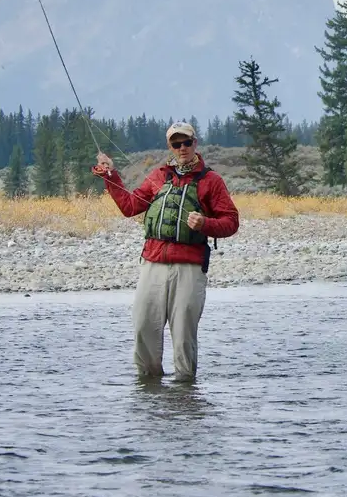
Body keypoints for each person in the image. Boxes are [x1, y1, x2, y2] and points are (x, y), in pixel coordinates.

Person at [92, 121, 239, 382]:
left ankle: (185, 390)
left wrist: (206, 223)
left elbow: (231, 222)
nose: (182, 148)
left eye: (186, 142)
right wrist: (110, 176)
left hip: (190, 268)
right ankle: (148, 387)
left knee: (183, 335)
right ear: (170, 146)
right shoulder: (158, 176)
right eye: (176, 143)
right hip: (152, 264)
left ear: (195, 143)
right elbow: (129, 206)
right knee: (143, 328)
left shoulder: (211, 181)